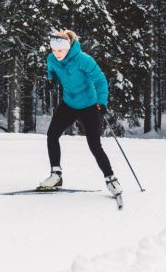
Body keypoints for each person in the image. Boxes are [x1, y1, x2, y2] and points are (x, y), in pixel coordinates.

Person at [40, 30, 123, 197]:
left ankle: (111, 179)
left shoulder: (83, 60)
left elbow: (100, 80)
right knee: (52, 135)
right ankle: (56, 175)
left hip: (90, 105)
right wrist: (51, 81)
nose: (57, 54)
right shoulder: (51, 59)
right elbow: (53, 73)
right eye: (54, 51)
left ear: (68, 47)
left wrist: (102, 102)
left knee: (94, 145)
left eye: (60, 51)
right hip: (69, 104)